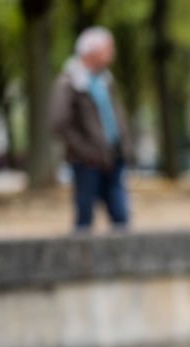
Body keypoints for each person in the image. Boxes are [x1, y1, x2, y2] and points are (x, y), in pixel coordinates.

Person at [49, 26, 133, 234]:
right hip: (87, 161)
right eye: (108, 48)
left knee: (121, 214)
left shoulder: (106, 80)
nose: (112, 52)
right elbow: (59, 123)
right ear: (92, 52)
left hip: (113, 156)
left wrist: (124, 145)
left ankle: (121, 260)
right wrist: (86, 151)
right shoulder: (69, 83)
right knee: (85, 215)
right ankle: (81, 263)